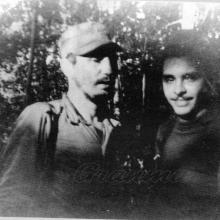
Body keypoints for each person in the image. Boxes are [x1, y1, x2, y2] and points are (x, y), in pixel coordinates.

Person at [0, 22, 122, 217]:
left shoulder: (117, 129)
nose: (109, 69)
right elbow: (12, 202)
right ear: (67, 65)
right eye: (97, 59)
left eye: (112, 58)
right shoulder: (43, 118)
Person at [154, 30, 220, 217]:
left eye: (189, 77)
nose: (178, 90)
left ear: (208, 81)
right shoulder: (165, 130)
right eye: (169, 79)